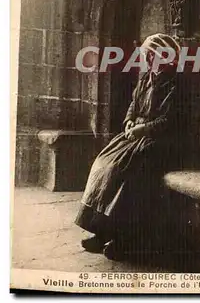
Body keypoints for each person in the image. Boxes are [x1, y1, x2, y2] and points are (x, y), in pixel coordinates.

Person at [75, 33, 183, 260]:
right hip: (137, 134)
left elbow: (169, 122)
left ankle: (123, 238)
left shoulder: (173, 84)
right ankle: (101, 230)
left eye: (151, 55)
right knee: (104, 163)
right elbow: (133, 105)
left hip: (160, 141)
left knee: (124, 173)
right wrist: (129, 121)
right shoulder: (146, 78)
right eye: (147, 55)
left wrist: (141, 130)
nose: (148, 59)